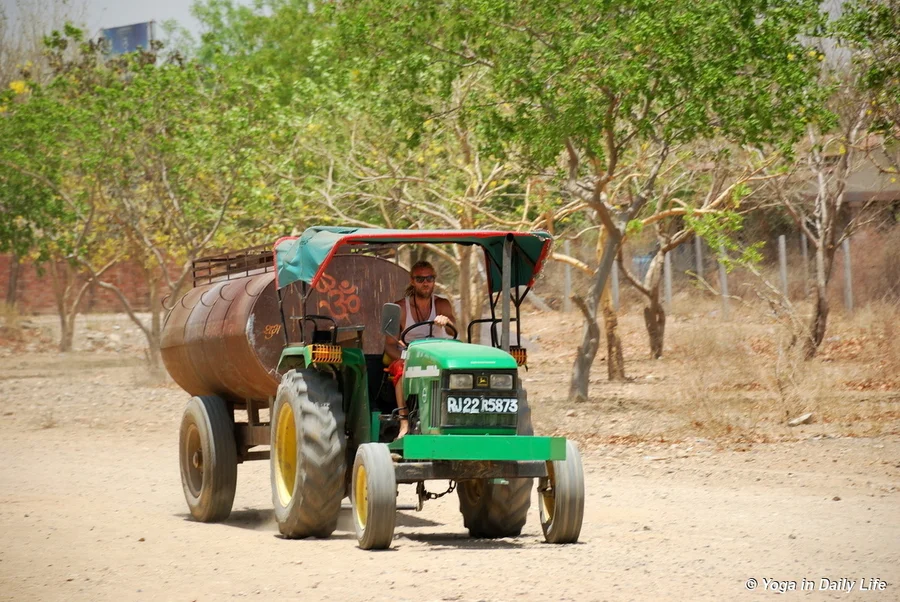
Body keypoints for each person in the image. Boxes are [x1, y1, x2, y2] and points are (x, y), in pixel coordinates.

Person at [384, 260, 456, 439]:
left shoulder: (442, 305)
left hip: (439, 355)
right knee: (401, 368)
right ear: (412, 281)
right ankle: (404, 422)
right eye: (420, 278)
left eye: (429, 278)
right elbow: (389, 345)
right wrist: (407, 359)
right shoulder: (400, 308)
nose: (426, 282)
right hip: (410, 354)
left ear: (434, 280)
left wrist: (446, 322)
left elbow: (454, 331)